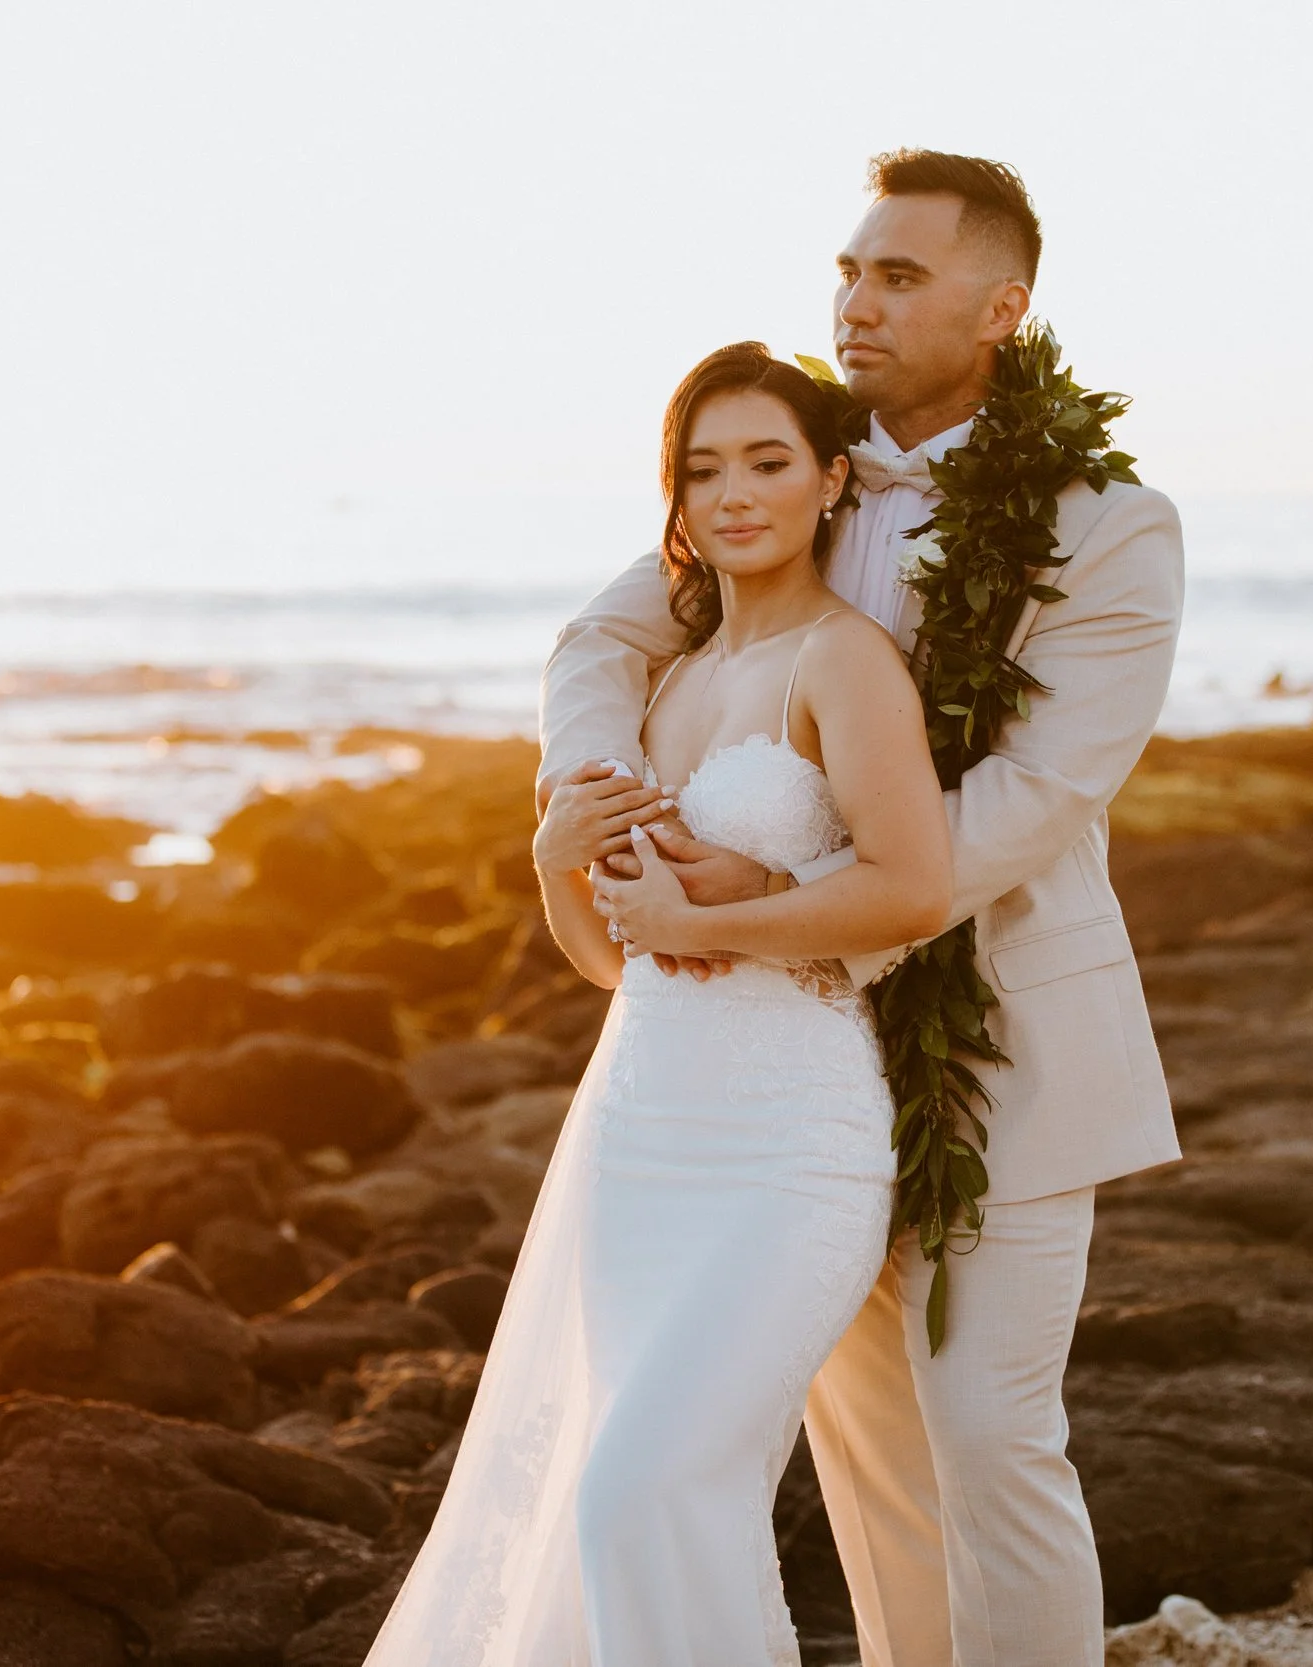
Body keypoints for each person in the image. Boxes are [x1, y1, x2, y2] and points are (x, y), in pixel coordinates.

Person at [542, 152, 1185, 1666]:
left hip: (1003, 1030)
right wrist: (605, 803)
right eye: (848, 270)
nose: (857, 301)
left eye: (898, 276)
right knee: (875, 1464)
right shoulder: (798, 470)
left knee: (991, 1433)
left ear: (1001, 307)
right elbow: (602, 638)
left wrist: (797, 899)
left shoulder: (1107, 525)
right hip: (794, 1071)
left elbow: (1038, 797)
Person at [363, 342, 951, 1664]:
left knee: (648, 1480)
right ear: (673, 501)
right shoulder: (669, 684)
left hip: (790, 1141)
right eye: (701, 469)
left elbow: (912, 887)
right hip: (642, 1132)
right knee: (619, 1498)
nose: (733, 494)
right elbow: (616, 957)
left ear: (830, 479)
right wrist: (553, 857)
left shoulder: (844, 664)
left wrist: (716, 916)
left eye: (765, 461)